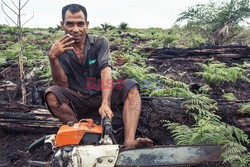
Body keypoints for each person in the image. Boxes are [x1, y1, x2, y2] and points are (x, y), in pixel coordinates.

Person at [45, 3, 153, 149]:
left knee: (131, 85)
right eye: (70, 24)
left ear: (87, 24)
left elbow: (105, 71)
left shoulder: (100, 43)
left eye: (80, 24)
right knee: (51, 94)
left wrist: (105, 103)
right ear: (62, 25)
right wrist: (53, 58)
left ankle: (129, 142)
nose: (75, 29)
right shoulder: (58, 49)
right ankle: (80, 134)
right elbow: (62, 84)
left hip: (101, 89)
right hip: (78, 95)